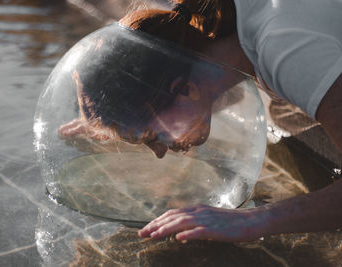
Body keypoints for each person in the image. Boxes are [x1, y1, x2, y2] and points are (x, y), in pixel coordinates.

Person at [60, 0, 342, 242]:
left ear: (184, 90)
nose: (159, 152)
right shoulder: (240, 36)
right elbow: (219, 95)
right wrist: (121, 124)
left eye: (151, 137)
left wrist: (252, 221)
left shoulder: (286, 49)